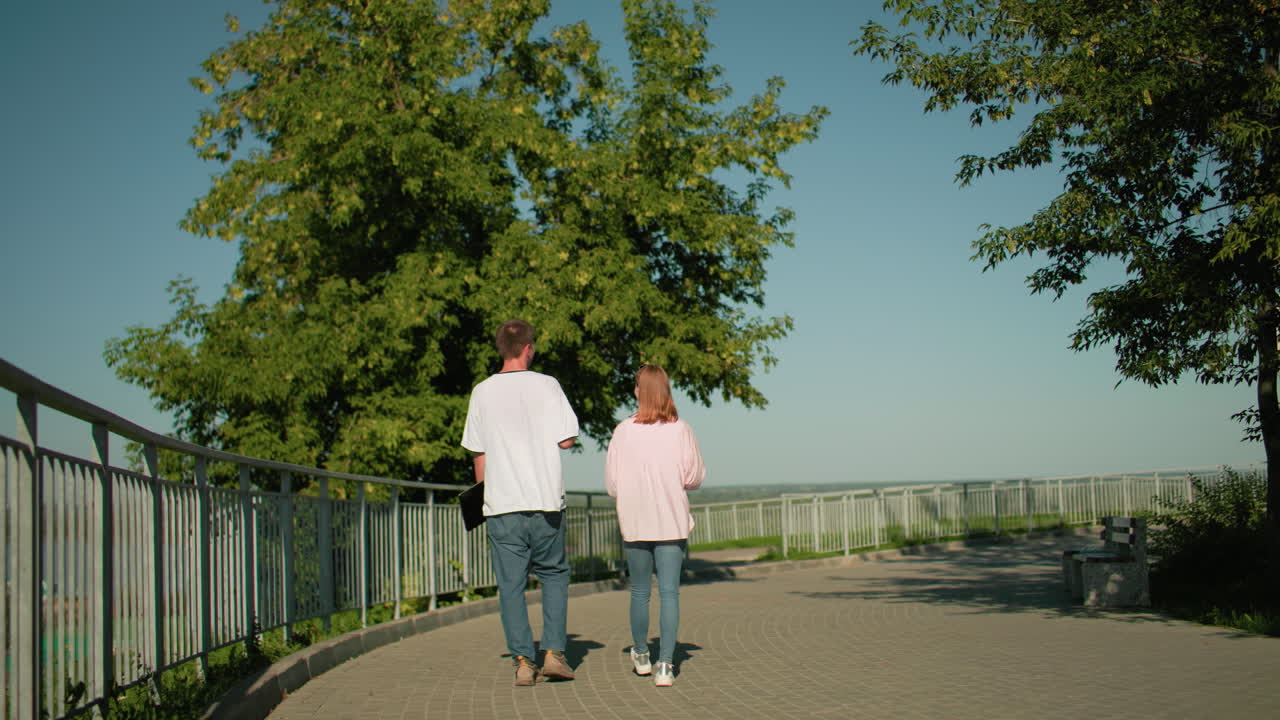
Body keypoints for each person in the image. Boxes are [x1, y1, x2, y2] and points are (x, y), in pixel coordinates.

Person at [461, 319, 580, 686]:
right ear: (529, 348)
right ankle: (555, 653)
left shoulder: (482, 392)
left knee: (511, 585)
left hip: (502, 504)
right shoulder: (548, 386)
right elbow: (567, 441)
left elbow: (478, 452)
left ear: (501, 349)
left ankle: (524, 662)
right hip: (545, 499)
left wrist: (484, 496)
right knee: (554, 575)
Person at [605, 364, 705, 687]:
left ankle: (641, 654)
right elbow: (694, 478)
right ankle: (666, 665)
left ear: (640, 391)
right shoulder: (682, 429)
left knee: (639, 592)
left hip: (635, 521)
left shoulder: (622, 431)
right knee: (670, 594)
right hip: (671, 521)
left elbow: (612, 484)